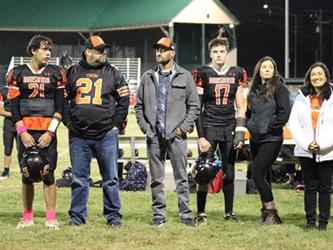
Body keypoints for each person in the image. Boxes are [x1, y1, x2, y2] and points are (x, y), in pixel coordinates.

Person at [135, 37, 200, 227]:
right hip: (154, 136)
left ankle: (186, 214)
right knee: (156, 179)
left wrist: (182, 129)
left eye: (163, 50)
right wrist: (146, 127)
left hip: (177, 136)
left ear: (172, 53)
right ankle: (158, 215)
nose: (159, 53)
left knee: (182, 178)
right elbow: (138, 106)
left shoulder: (185, 76)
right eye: (157, 50)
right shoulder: (147, 77)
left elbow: (194, 106)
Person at [66, 35, 130, 228]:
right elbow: (62, 100)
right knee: (79, 178)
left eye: (104, 50)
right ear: (88, 52)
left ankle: (113, 216)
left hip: (106, 135)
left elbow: (124, 100)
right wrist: (70, 123)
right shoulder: (72, 71)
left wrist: (116, 124)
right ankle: (77, 217)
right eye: (100, 50)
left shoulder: (113, 72)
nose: (104, 53)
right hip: (78, 135)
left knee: (110, 178)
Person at [7, 35, 65, 229]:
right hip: (26, 132)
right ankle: (28, 216)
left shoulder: (56, 73)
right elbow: (13, 107)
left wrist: (50, 132)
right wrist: (22, 132)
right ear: (33, 50)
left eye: (50, 49)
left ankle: (51, 217)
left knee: (49, 174)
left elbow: (60, 106)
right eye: (44, 49)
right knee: (27, 174)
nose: (48, 53)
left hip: (47, 132)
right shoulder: (17, 73)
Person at [191, 37, 247, 225]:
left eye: (222, 51)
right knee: (204, 171)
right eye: (215, 52)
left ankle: (229, 213)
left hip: (229, 126)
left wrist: (240, 131)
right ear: (210, 54)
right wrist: (200, 136)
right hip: (209, 126)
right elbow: (198, 108)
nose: (219, 54)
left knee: (229, 172)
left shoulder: (237, 73)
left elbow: (240, 107)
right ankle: (200, 213)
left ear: (227, 53)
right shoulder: (202, 73)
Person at [289, 62, 333, 231]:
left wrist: (322, 144)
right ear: (309, 77)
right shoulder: (301, 97)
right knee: (310, 187)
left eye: (320, 74)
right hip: (306, 151)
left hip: (327, 151)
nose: (316, 77)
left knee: (324, 188)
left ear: (326, 76)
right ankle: (310, 222)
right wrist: (308, 143)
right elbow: (294, 124)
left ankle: (323, 223)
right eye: (313, 74)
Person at [246, 56, 290, 224]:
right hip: (256, 138)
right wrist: (251, 125)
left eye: (270, 67)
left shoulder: (280, 88)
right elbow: (250, 113)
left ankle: (272, 213)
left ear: (274, 70)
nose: (267, 69)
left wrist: (268, 126)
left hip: (272, 138)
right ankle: (265, 213)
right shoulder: (254, 89)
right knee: (265, 176)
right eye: (264, 66)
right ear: (259, 69)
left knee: (257, 176)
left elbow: (284, 114)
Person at [0, 84, 17, 180]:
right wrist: (15, 115)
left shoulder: (22, 89)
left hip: (21, 124)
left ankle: (25, 170)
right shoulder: (3, 91)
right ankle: (6, 171)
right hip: (9, 124)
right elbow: (1, 111)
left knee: (22, 148)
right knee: (7, 148)